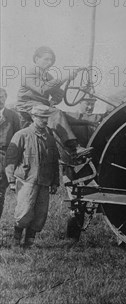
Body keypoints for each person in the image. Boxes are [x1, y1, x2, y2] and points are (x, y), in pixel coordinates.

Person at [15, 46, 92, 159]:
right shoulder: (29, 73)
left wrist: (54, 100)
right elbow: (42, 89)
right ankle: (73, 148)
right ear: (36, 59)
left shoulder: (48, 76)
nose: (49, 63)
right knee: (56, 113)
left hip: (42, 108)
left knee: (69, 116)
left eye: (51, 60)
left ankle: (99, 120)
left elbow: (58, 93)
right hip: (27, 107)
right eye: (46, 59)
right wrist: (65, 77)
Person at [4, 105, 60, 248]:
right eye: (41, 118)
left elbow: (54, 162)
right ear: (33, 117)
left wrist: (55, 182)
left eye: (46, 118)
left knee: (40, 214)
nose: (44, 121)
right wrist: (11, 180)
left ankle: (29, 243)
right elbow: (11, 158)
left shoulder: (50, 138)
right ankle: (16, 242)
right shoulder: (22, 135)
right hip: (26, 180)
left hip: (44, 181)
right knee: (24, 211)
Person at [0, 88, 22, 222]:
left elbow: (18, 138)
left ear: (6, 98)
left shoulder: (12, 116)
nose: (0, 99)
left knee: (0, 193)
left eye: (2, 96)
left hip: (4, 158)